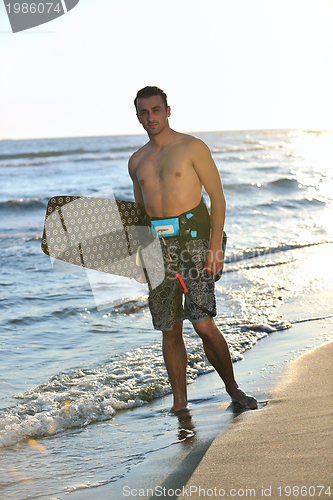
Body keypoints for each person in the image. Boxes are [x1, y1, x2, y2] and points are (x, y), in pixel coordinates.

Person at [128, 86, 257, 412]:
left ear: (168, 111)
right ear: (138, 116)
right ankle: (180, 404)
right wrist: (142, 257)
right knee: (169, 329)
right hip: (157, 248)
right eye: (144, 112)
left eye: (156, 110)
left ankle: (234, 391)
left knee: (201, 323)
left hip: (194, 240)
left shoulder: (192, 147)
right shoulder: (137, 161)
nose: (150, 117)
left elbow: (217, 197)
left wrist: (216, 247)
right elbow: (140, 214)